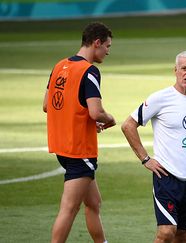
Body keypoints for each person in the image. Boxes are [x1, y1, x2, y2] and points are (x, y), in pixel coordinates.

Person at [121, 51, 186, 243]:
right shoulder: (160, 98)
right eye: (184, 69)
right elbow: (128, 125)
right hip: (166, 176)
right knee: (166, 233)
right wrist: (145, 159)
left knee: (183, 235)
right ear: (175, 71)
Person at [43, 22, 116, 243]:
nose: (108, 51)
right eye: (107, 46)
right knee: (69, 208)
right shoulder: (89, 70)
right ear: (96, 43)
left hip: (62, 147)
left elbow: (48, 105)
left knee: (93, 203)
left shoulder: (59, 65)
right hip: (79, 149)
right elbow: (96, 112)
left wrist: (80, 118)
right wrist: (110, 119)